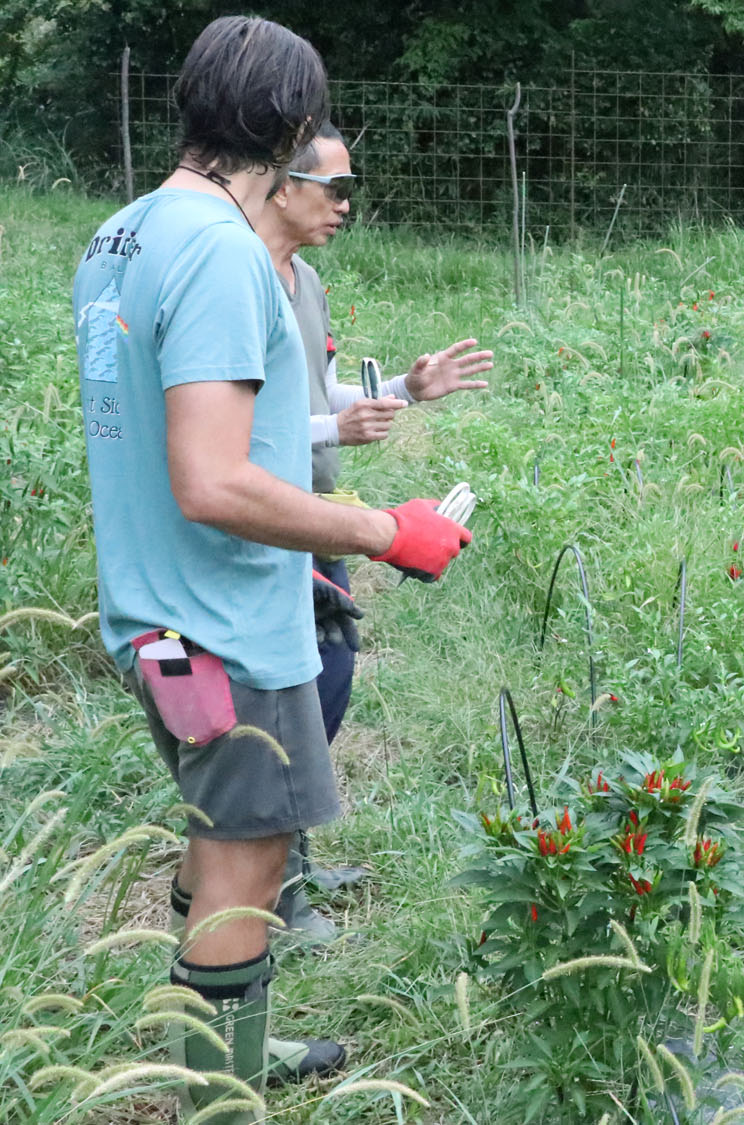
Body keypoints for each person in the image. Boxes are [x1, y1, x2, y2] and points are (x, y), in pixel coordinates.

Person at [70, 16, 470, 1120]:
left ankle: (217, 1044)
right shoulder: (221, 252)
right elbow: (211, 478)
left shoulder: (121, 234)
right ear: (290, 123)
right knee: (246, 865)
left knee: (224, 848)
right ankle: (220, 1093)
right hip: (227, 624)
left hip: (157, 610)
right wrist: (381, 530)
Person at [254, 120, 495, 946]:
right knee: (280, 708)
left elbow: (318, 396)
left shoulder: (306, 280)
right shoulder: (237, 281)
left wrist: (404, 388)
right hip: (266, 521)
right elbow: (233, 435)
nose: (346, 205)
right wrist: (334, 431)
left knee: (325, 686)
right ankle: (275, 897)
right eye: (335, 188)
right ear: (282, 183)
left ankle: (292, 859)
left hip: (316, 517)